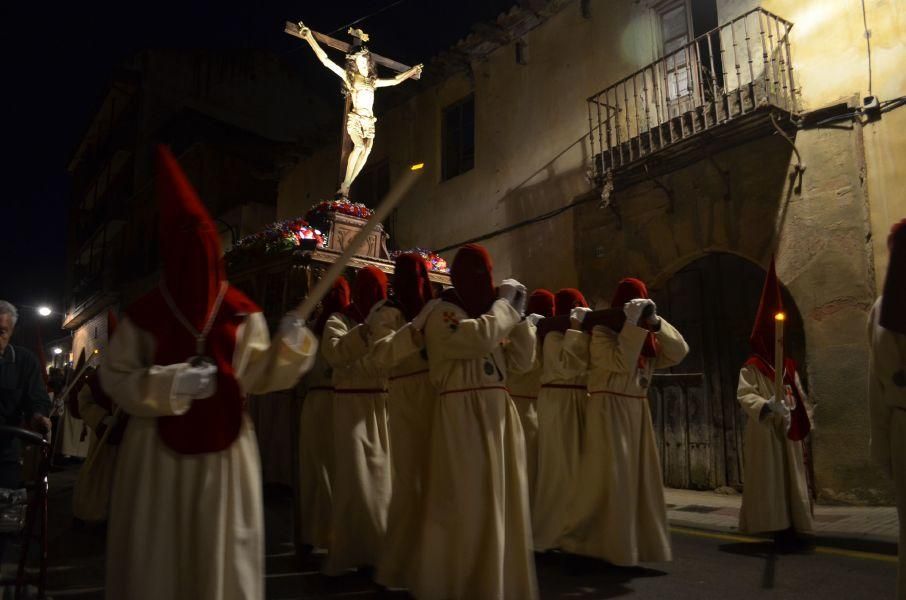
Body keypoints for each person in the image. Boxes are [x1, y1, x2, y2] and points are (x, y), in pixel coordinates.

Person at [100, 146, 318, 600]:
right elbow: (116, 378)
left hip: (227, 452)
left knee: (218, 557)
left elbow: (261, 375)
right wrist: (171, 383)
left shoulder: (241, 313)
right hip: (156, 454)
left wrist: (293, 343)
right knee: (159, 559)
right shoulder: (144, 315)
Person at [413, 243, 539, 600]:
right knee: (465, 507)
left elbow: (523, 363)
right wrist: (505, 308)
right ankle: (458, 586)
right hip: (460, 419)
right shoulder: (441, 314)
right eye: (477, 275)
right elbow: (476, 339)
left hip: (497, 412)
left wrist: (522, 322)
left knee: (500, 506)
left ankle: (496, 584)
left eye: (488, 274)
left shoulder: (492, 315)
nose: (486, 282)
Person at [562, 278, 688, 566]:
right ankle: (588, 543)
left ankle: (630, 545)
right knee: (608, 479)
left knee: (635, 482)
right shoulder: (602, 332)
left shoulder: (647, 340)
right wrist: (631, 327)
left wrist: (656, 324)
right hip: (608, 409)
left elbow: (680, 351)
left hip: (636, 411)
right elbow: (618, 362)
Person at [368, 253, 439, 590]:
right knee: (410, 483)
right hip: (406, 397)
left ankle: (431, 564)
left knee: (436, 483)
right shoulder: (387, 314)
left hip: (436, 395)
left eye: (422, 275)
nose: (419, 283)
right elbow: (381, 355)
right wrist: (415, 329)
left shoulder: (435, 307)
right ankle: (398, 568)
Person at [736, 258, 814, 550]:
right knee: (772, 478)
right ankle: (775, 526)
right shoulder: (752, 366)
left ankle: (794, 524)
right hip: (766, 430)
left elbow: (801, 396)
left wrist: (798, 411)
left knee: (791, 477)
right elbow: (745, 395)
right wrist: (767, 405)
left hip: (788, 428)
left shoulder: (788, 366)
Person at [321, 266, 392, 576]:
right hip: (350, 407)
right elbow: (335, 354)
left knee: (381, 482)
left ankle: (379, 552)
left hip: (381, 405)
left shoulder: (387, 319)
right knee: (353, 480)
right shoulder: (338, 321)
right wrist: (364, 332)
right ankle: (347, 552)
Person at [298, 24, 423, 198]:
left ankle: (347, 185)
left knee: (367, 151)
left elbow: (394, 81)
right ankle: (346, 183)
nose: (362, 63)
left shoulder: (372, 82)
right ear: (355, 63)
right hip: (356, 118)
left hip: (369, 121)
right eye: (359, 61)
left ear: (368, 62)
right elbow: (326, 61)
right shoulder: (350, 78)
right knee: (358, 147)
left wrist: (412, 71)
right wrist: (309, 38)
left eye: (365, 60)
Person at [532, 288, 591, 551]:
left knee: (577, 470)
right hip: (559, 402)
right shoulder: (554, 336)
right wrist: (577, 330)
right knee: (561, 470)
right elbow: (569, 366)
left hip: (576, 400)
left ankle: (575, 530)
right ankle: (554, 533)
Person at [297, 277, 350, 554]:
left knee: (316, 469)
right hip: (338, 400)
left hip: (317, 399)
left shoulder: (312, 329)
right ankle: (334, 532)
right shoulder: (345, 323)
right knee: (335, 467)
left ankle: (314, 531)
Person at [869, 218, 906, 598]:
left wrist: (881, 448)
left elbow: (875, 389)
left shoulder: (883, 310)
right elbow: (878, 385)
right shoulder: (882, 311)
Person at [507, 288, 554, 508]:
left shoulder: (550, 334)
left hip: (541, 404)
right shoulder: (523, 331)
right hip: (522, 405)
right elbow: (525, 365)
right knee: (526, 465)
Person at [0, 300, 52, 489]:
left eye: (1, 332)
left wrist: (38, 417)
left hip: (5, 451)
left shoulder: (24, 361)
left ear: (11, 331)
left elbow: (36, 399)